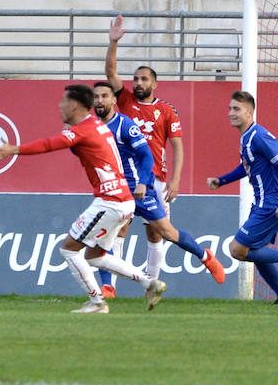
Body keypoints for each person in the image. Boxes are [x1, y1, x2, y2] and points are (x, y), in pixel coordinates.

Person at [0, 83, 165, 314]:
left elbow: (50, 144)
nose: (59, 105)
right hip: (124, 200)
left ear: (73, 105)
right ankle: (149, 283)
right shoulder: (96, 125)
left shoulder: (84, 129)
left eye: (63, 101)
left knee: (68, 250)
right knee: (95, 256)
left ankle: (97, 303)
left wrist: (14, 149)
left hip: (110, 200)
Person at [91, 82, 226, 297]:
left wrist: (144, 182)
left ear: (113, 100)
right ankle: (108, 287)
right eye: (96, 97)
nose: (99, 101)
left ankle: (205, 257)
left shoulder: (125, 125)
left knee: (166, 232)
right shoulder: (91, 127)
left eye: (104, 96)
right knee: (108, 235)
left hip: (138, 188)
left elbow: (146, 155)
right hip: (114, 190)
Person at [103, 15, 184, 296]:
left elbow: (177, 145)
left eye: (144, 79)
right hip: (124, 177)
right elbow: (111, 71)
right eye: (136, 78)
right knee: (119, 228)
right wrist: (113, 42)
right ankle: (109, 285)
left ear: (155, 84)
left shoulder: (167, 110)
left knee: (156, 232)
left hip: (156, 180)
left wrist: (175, 180)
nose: (138, 83)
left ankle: (152, 284)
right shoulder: (123, 100)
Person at [207, 91, 278, 304]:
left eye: (237, 109)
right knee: (256, 251)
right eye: (230, 108)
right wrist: (222, 180)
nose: (231, 113)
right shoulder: (247, 137)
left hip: (271, 203)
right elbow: (247, 167)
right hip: (263, 202)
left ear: (250, 112)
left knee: (237, 250)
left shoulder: (259, 136)